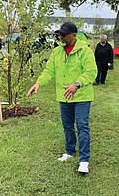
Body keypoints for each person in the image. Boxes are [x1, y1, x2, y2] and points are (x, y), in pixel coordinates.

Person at [26, 22, 97, 174]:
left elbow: (91, 72)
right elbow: (49, 70)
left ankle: (84, 160)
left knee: (82, 126)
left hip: (81, 96)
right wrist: (38, 83)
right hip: (64, 97)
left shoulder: (85, 51)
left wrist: (77, 84)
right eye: (60, 34)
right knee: (67, 125)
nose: (61, 37)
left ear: (74, 35)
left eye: (64, 34)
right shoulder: (57, 52)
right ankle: (70, 151)